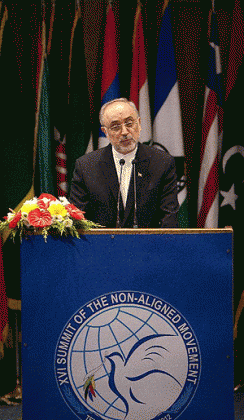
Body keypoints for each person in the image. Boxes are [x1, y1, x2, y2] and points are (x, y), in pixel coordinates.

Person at [69, 98, 179, 228]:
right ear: (105, 132)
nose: (125, 132)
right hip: (103, 247)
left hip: (149, 246)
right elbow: (78, 220)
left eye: (129, 123)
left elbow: (169, 219)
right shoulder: (86, 167)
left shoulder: (162, 163)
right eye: (116, 127)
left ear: (139, 124)